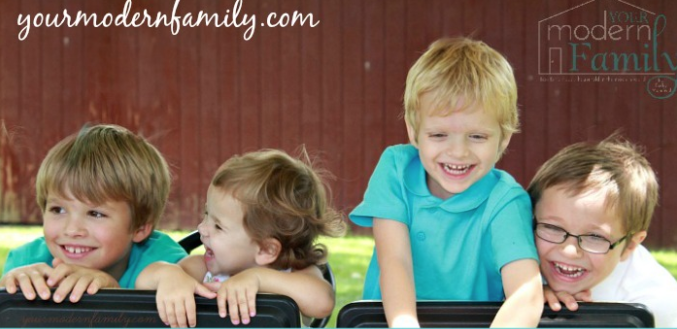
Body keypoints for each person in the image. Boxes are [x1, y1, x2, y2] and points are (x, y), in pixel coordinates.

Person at [349, 37, 543, 327]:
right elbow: (395, 261)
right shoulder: (396, 170)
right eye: (439, 135)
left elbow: (526, 293)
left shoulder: (505, 201)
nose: (458, 152)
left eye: (477, 136)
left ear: (503, 138)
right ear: (413, 131)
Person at [136, 148, 346, 328]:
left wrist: (257, 279)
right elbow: (143, 283)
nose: (202, 228)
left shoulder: (294, 275)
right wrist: (170, 276)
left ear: (266, 250)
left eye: (218, 225)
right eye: (207, 214)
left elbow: (322, 302)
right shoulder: (203, 270)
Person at [0, 124, 187, 303]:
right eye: (58, 209)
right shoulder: (26, 263)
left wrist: (115, 296)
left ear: (140, 227)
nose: (72, 230)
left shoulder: (165, 266)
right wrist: (10, 298)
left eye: (95, 214)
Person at [527, 136, 677, 327]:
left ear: (630, 245)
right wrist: (526, 293)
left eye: (595, 237)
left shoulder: (654, 305)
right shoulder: (510, 264)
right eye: (553, 228)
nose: (569, 251)